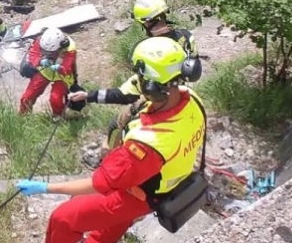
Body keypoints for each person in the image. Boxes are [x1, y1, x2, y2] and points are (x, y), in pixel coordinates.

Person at [16, 37, 207, 243]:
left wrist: (45, 187)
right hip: (161, 184)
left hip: (138, 194)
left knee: (63, 218)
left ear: (152, 86)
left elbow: (99, 184)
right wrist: (88, 96)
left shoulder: (147, 143)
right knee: (107, 229)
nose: (137, 80)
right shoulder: (192, 99)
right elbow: (125, 95)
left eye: (140, 76)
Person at [71, 0, 204, 167]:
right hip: (181, 92)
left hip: (158, 98)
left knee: (116, 125)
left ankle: (106, 161)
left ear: (146, 22)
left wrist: (89, 96)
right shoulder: (186, 36)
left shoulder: (149, 52)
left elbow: (124, 93)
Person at [19, 27, 77, 117]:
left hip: (62, 75)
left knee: (55, 99)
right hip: (45, 71)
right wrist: (40, 61)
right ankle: (23, 117)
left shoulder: (69, 48)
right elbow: (32, 54)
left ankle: (58, 116)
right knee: (27, 98)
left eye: (50, 53)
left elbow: (68, 67)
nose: (46, 54)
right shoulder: (42, 40)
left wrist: (60, 68)